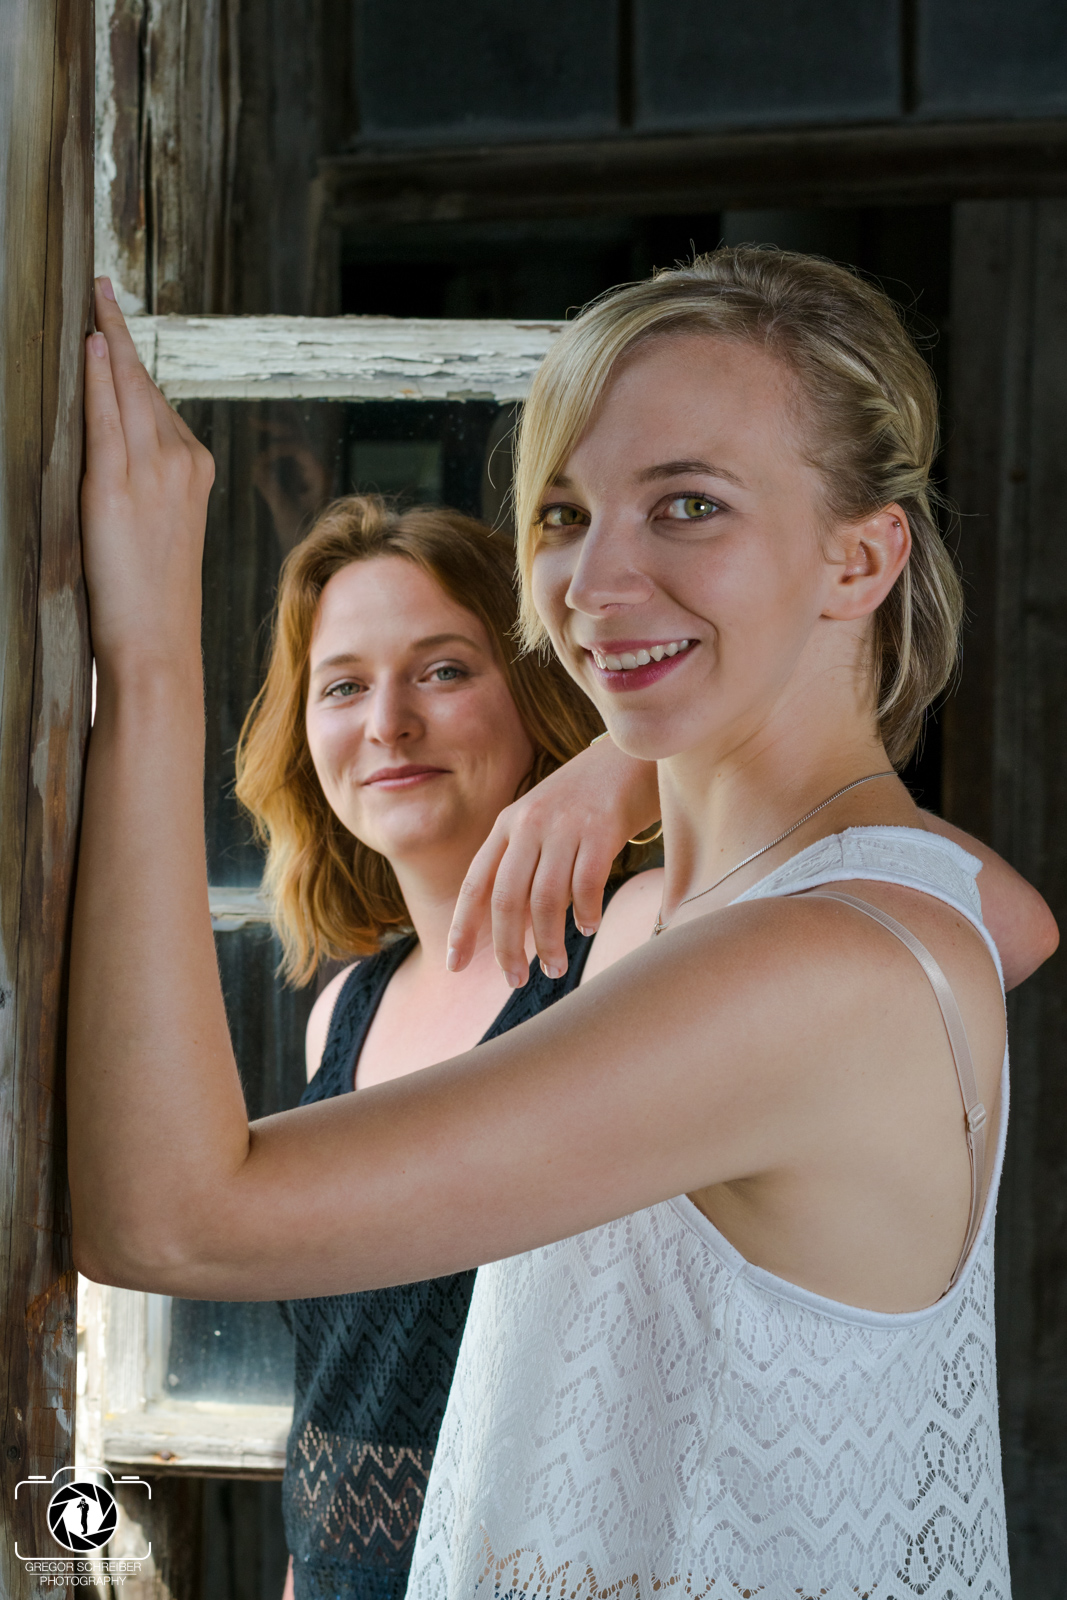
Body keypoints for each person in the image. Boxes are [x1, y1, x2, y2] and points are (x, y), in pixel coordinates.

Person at [70, 252, 1058, 1597]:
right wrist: (635, 754)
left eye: (687, 505)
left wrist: (146, 658)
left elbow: (174, 1223)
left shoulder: (816, 967)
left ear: (860, 555)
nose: (591, 580)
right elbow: (1004, 918)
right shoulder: (714, 912)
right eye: (561, 514)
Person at [233, 493, 651, 1599]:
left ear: (537, 698)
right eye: (343, 686)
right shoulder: (342, 1010)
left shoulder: (633, 945)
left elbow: (986, 918)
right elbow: (342, 1383)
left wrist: (632, 764)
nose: (387, 723)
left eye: (443, 670)